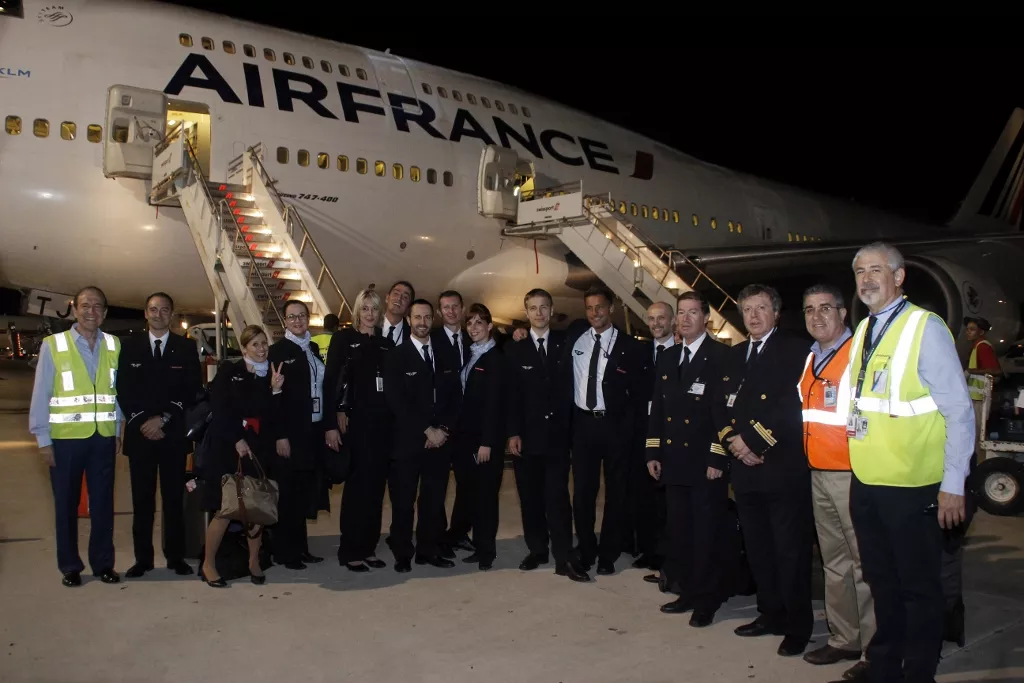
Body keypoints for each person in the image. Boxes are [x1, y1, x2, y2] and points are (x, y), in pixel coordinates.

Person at [845, 242, 974, 683]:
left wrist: (953, 483)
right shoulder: (864, 329)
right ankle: (884, 666)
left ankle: (919, 671)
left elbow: (959, 410)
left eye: (876, 269)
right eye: (860, 270)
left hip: (914, 483)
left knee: (918, 588)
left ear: (899, 277)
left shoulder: (924, 327)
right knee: (881, 583)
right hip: (868, 480)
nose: (866, 278)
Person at [712, 284, 814, 657]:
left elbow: (795, 404)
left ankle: (798, 625)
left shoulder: (796, 350)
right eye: (747, 310)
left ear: (776, 313)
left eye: (760, 308)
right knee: (758, 549)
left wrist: (754, 441)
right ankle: (769, 613)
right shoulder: (734, 355)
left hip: (782, 466)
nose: (753, 316)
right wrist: (732, 441)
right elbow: (719, 406)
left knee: (791, 550)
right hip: (745, 470)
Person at [797, 284, 874, 682]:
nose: (817, 316)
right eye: (810, 309)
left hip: (852, 474)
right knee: (835, 563)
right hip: (819, 474)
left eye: (826, 308)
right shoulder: (811, 359)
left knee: (864, 564)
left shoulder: (858, 355)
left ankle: (873, 648)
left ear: (844, 314)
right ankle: (843, 637)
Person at [28, 286, 123, 587]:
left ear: (105, 312)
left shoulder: (114, 344)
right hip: (65, 439)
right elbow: (41, 392)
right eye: (85, 305)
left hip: (103, 437)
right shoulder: (53, 345)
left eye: (97, 306)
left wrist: (118, 427)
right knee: (66, 504)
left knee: (104, 503)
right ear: (74, 309)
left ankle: (103, 563)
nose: (91, 311)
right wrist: (43, 439)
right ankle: (70, 565)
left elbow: (116, 390)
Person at [646, 292, 730, 627]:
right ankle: (688, 591)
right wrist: (653, 451)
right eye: (681, 313)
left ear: (706, 318)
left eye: (693, 313)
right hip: (674, 460)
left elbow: (726, 412)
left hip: (705, 462)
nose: (685, 319)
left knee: (706, 533)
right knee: (680, 531)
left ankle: (708, 599)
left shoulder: (721, 356)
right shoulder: (668, 358)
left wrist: (718, 455)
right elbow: (658, 409)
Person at [558, 286, 646, 575]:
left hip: (615, 427)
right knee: (583, 492)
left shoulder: (630, 346)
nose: (595, 313)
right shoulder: (575, 338)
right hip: (583, 426)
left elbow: (637, 395)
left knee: (616, 492)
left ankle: (609, 552)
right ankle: (586, 548)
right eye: (589, 308)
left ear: (611, 308)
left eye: (600, 307)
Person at [506, 289, 590, 582]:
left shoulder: (565, 342)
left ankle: (564, 556)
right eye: (533, 308)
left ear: (552, 310)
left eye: (544, 307)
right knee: (529, 498)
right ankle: (537, 549)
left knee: (557, 498)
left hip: (556, 438)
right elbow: (511, 396)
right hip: (526, 438)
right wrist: (512, 432)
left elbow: (583, 326)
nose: (539, 313)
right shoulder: (514, 349)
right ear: (526, 312)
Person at [117, 292, 202, 578]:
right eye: (153, 309)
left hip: (173, 436)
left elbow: (191, 390)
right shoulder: (129, 348)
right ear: (145, 313)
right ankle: (143, 559)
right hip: (140, 436)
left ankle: (175, 557)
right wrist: (144, 421)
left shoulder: (186, 348)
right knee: (142, 501)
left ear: (172, 314)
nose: (158, 314)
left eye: (164, 310)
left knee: (173, 500)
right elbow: (124, 390)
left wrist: (163, 419)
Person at [200, 325, 282, 586]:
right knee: (226, 509)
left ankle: (254, 560)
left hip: (259, 447)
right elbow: (221, 408)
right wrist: (237, 438)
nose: (261, 349)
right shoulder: (230, 371)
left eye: (264, 344)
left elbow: (270, 414)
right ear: (244, 347)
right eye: (255, 344)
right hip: (229, 446)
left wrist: (275, 390)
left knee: (256, 505)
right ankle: (208, 564)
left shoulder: (271, 374)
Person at [384, 298, 462, 572]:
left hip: (440, 443)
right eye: (417, 317)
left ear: (433, 319)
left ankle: (429, 550)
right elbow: (397, 401)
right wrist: (426, 429)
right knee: (403, 502)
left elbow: (455, 397)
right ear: (408, 320)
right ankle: (403, 552)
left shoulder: (446, 354)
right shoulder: (395, 356)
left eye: (427, 317)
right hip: (407, 442)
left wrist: (443, 430)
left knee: (433, 500)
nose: (422, 322)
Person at [324, 289, 394, 572]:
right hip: (352, 426)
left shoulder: (386, 344)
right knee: (356, 491)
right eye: (364, 308)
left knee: (376, 491)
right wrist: (332, 421)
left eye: (374, 309)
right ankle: (349, 549)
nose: (369, 314)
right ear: (357, 311)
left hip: (381, 428)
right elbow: (330, 383)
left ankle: (368, 547)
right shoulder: (343, 339)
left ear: (380, 314)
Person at [267, 300, 332, 569]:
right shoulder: (278, 351)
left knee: (304, 494)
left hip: (312, 430)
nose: (297, 321)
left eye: (302, 316)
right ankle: (286, 552)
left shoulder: (313, 348)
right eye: (292, 317)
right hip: (291, 434)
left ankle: (301, 548)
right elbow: (273, 398)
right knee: (289, 496)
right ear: (284, 321)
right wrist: (281, 435)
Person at [453, 303, 506, 570]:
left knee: (486, 498)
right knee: (474, 495)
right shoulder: (472, 355)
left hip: (485, 441)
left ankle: (487, 552)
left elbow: (495, 405)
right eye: (470, 323)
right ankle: (479, 544)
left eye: (479, 323)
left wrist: (487, 442)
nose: (474, 328)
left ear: (490, 327)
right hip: (467, 438)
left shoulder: (495, 358)